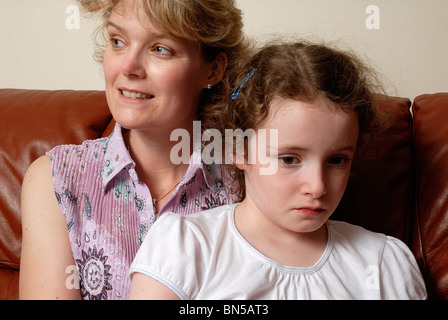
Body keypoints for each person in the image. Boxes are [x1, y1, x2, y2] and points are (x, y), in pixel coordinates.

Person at [128, 41, 427, 299]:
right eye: (289, 159)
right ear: (239, 149)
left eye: (337, 160)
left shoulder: (384, 262)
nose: (318, 186)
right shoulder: (185, 246)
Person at [19, 0, 250, 300]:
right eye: (118, 42)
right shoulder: (54, 180)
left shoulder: (247, 175)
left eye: (160, 49)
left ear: (214, 69)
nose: (128, 67)